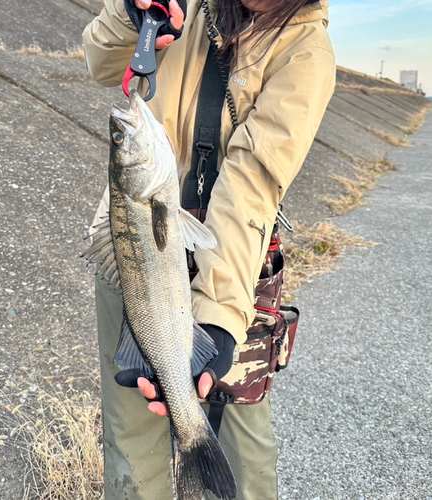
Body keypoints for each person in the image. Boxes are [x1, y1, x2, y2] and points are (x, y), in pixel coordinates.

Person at [82, 0, 335, 498]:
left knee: (243, 447)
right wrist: (132, 19)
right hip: (134, 263)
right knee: (133, 439)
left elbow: (254, 181)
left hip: (235, 265)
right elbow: (101, 60)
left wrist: (218, 313)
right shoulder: (184, 5)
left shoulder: (307, 50)